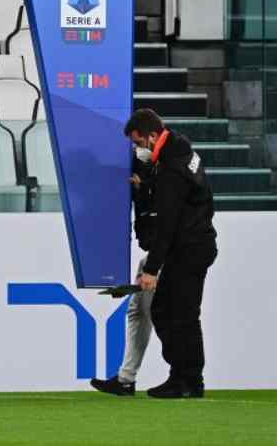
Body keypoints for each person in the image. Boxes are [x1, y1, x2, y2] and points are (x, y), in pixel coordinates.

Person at [125, 108, 217, 399]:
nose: (139, 150)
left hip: (187, 248)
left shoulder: (170, 169)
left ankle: (185, 379)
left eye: (139, 143)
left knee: (171, 312)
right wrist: (149, 185)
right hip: (197, 243)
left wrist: (151, 269)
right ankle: (188, 379)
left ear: (152, 136)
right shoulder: (180, 149)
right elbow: (188, 196)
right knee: (183, 314)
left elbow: (166, 224)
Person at [90, 150, 158, 397]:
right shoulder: (139, 165)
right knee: (140, 312)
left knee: (159, 315)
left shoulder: (151, 166)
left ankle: (185, 374)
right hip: (153, 252)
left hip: (161, 253)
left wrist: (154, 268)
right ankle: (126, 379)